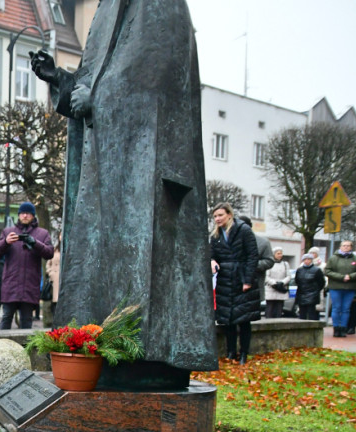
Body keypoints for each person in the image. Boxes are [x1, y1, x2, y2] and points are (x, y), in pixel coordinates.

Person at [30, 1, 217, 388]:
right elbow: (97, 75)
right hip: (112, 165)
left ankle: (141, 362)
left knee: (139, 261)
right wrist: (62, 82)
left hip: (146, 161)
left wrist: (97, 98)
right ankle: (92, 351)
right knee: (103, 259)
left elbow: (154, 72)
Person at [210, 203, 259, 364]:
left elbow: (253, 256)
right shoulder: (215, 235)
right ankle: (231, 352)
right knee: (227, 319)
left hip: (241, 277)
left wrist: (248, 280)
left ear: (229, 215)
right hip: (224, 279)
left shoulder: (244, 230)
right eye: (215, 216)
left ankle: (244, 353)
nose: (217, 219)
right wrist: (212, 261)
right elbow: (211, 253)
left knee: (244, 319)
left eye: (220, 215)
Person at [0, 202, 54, 329]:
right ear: (19, 215)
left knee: (27, 320)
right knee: (6, 318)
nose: (25, 216)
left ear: (33, 216)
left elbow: (49, 253)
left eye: (28, 213)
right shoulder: (8, 232)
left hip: (29, 285)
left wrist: (35, 243)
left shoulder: (42, 233)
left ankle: (25, 348)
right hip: (11, 284)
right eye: (22, 213)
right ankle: (2, 347)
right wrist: (6, 242)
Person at [324, 240, 356, 338]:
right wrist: (341, 277)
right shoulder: (333, 258)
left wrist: (351, 276)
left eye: (348, 246)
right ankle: (336, 328)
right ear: (340, 247)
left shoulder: (355, 259)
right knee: (336, 308)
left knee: (346, 309)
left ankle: (343, 328)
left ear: (351, 247)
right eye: (344, 245)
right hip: (336, 287)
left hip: (350, 287)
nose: (346, 247)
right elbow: (327, 271)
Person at [293, 253, 325, 321]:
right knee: (302, 314)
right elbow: (297, 281)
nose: (307, 261)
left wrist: (315, 290)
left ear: (311, 260)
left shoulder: (317, 270)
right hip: (301, 294)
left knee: (311, 314)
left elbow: (321, 282)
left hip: (312, 294)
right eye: (305, 259)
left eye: (309, 259)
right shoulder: (299, 270)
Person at [263, 248, 290, 319]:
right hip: (271, 289)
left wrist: (282, 283)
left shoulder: (285, 264)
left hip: (281, 289)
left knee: (279, 309)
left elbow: (288, 276)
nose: (280, 255)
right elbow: (266, 276)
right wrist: (274, 283)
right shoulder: (269, 263)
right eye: (278, 253)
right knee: (270, 309)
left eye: (281, 253)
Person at [42, 237, 61, 328]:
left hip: (63, 278)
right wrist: (50, 272)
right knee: (54, 301)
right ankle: (54, 323)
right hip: (54, 278)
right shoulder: (54, 250)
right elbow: (48, 263)